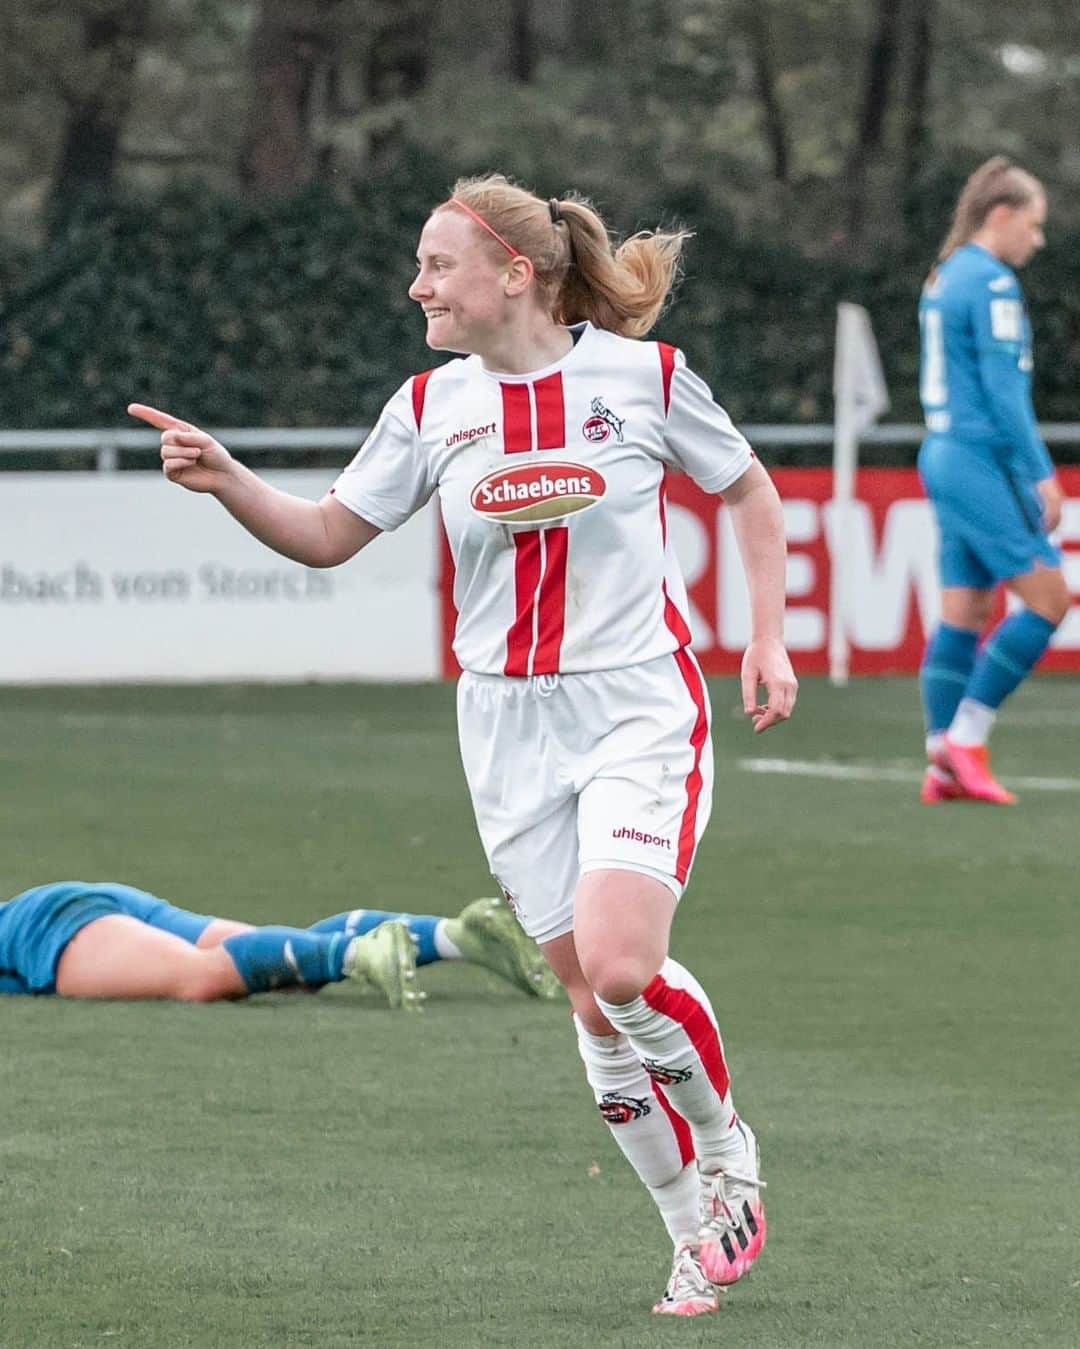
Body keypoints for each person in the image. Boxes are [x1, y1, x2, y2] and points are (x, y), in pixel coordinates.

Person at [129, 173, 797, 1317]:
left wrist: (769, 641)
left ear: (514, 273)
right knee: (590, 1002)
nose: (417, 286)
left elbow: (748, 491)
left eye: (438, 266)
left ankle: (729, 1146)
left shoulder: (647, 377)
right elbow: (332, 534)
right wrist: (231, 478)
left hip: (637, 703)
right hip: (504, 723)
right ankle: (691, 1229)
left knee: (626, 964)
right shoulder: (432, 405)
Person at [917, 156, 1069, 806]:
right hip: (981, 458)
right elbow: (1006, 395)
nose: (1036, 240)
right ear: (1000, 215)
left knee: (967, 609)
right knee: (1049, 600)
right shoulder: (993, 283)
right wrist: (1041, 472)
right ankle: (967, 738)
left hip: (942, 452)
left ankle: (939, 759)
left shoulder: (945, 275)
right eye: (1032, 225)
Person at [0, 883, 557, 1004]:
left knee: (202, 977)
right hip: (64, 904)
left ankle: (356, 955)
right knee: (273, 956)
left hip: (39, 929)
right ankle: (458, 936)